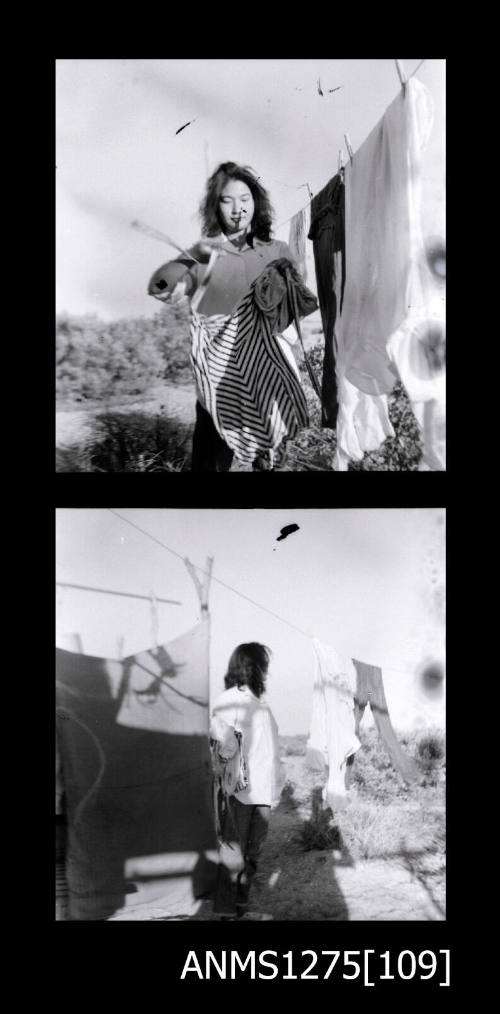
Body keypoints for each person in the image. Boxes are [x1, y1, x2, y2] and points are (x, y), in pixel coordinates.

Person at [148, 162, 312, 471]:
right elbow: (158, 287)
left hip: (269, 375)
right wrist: (188, 257)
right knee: (210, 468)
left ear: (256, 201)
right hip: (219, 382)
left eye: (245, 198)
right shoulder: (204, 256)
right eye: (227, 200)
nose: (238, 209)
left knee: (272, 467)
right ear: (215, 207)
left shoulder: (277, 250)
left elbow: (295, 308)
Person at [209, 642, 283, 919]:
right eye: (262, 665)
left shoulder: (261, 705)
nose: (265, 671)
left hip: (263, 792)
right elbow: (218, 733)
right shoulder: (230, 698)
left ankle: (239, 908)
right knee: (233, 856)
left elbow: (272, 751)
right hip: (238, 792)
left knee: (252, 856)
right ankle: (226, 914)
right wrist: (231, 751)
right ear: (250, 666)